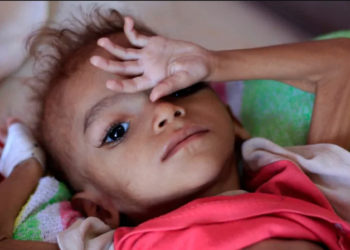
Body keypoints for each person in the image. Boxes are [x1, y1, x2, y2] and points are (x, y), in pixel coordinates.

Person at [1, 7, 350, 250]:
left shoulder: (304, 189)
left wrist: (214, 64)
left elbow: (342, 64)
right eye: (117, 131)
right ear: (99, 210)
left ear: (234, 120)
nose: (166, 111)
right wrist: (27, 164)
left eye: (179, 89)